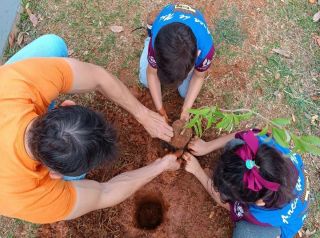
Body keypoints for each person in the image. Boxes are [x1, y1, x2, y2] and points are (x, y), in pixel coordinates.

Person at [0, 34, 179, 224]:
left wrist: (142, 113)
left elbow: (98, 77)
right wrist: (161, 166)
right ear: (56, 175)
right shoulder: (27, 199)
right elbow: (104, 193)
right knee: (79, 175)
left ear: (67, 105)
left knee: (53, 45)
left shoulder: (16, 84)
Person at [183, 130, 309, 238]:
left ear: (258, 201)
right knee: (236, 144)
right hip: (292, 186)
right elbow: (243, 134)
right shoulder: (267, 143)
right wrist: (207, 146)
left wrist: (197, 171)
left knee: (244, 233)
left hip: (283, 225)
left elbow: (225, 203)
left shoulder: (256, 214)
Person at [139, 3, 214, 122]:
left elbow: (199, 77)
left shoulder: (206, 50)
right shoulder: (157, 42)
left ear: (197, 56)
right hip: (167, 17)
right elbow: (152, 73)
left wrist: (186, 109)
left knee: (185, 93)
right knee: (145, 79)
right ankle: (149, 34)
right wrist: (160, 109)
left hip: (194, 19)